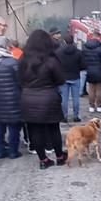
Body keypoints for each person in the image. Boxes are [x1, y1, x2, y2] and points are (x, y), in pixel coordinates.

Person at [18, 30, 68, 169]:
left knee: (35, 130)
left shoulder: (22, 60)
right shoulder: (51, 60)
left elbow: (19, 80)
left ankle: (43, 160)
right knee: (53, 128)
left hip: (28, 98)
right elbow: (60, 80)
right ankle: (59, 156)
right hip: (49, 98)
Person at [56, 35, 83, 122]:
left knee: (64, 98)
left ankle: (64, 116)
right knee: (76, 98)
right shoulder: (79, 52)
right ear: (73, 41)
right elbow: (83, 65)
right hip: (75, 77)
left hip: (63, 77)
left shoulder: (59, 52)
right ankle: (76, 116)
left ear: (64, 41)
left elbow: (57, 65)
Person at [81, 38, 101, 113]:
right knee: (99, 90)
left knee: (91, 90)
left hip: (89, 71)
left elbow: (83, 59)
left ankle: (91, 107)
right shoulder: (100, 49)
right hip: (99, 71)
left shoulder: (85, 49)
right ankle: (99, 106)